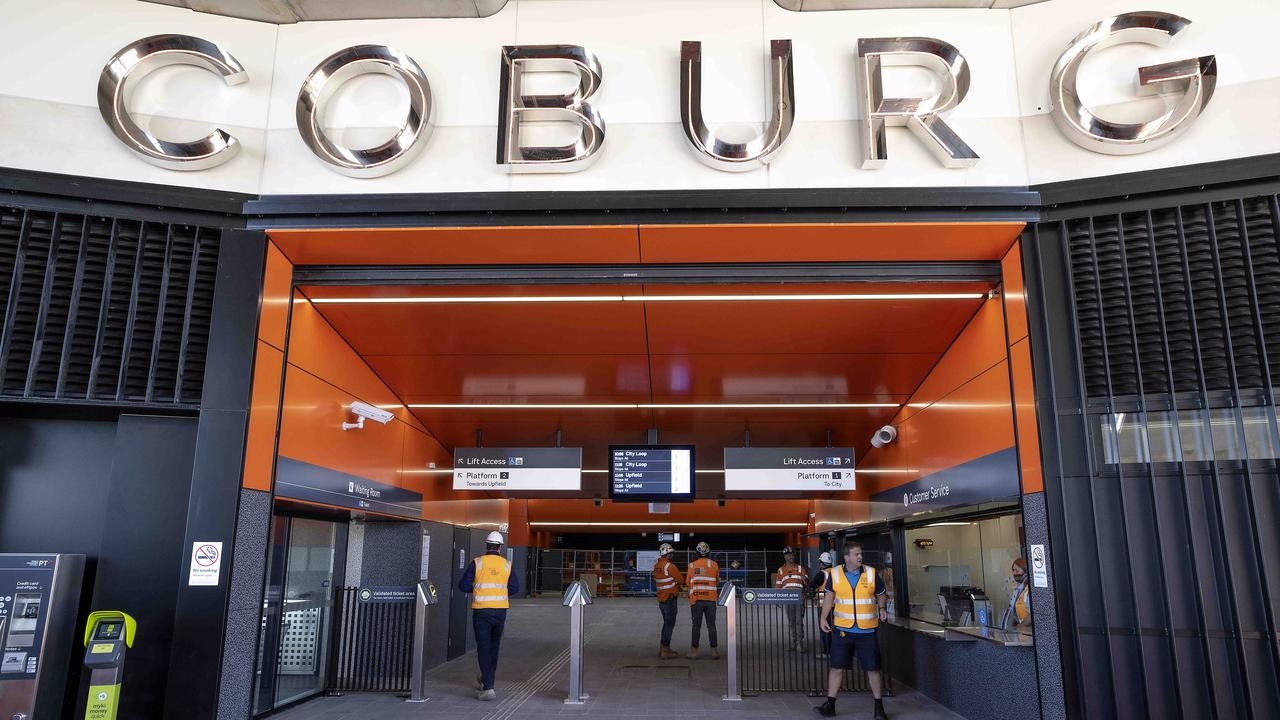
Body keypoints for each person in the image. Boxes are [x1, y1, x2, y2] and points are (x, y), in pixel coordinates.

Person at [817, 541, 888, 720]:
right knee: (836, 667)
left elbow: (881, 594)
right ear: (846, 557)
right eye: (856, 554)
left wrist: (881, 608)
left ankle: (879, 707)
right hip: (843, 630)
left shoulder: (871, 573)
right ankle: (830, 705)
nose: (860, 557)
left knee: (873, 668)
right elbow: (829, 597)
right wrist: (823, 617)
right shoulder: (835, 574)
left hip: (867, 631)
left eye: (860, 554)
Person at [457, 531, 519, 701]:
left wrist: (477, 589)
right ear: (500, 547)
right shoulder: (507, 565)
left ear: (487, 545)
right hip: (500, 611)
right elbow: (514, 588)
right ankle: (487, 680)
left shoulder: (477, 563)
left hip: (481, 611)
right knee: (494, 646)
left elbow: (463, 586)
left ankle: (488, 686)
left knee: (483, 648)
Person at [685, 541, 721, 659]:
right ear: (708, 552)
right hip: (711, 600)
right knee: (711, 626)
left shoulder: (691, 566)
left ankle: (694, 652)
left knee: (696, 626)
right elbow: (717, 581)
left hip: (696, 600)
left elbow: (688, 583)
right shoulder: (714, 565)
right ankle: (714, 651)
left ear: (697, 552)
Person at [653, 542, 684, 659]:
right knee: (669, 625)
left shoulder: (657, 566)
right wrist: (676, 584)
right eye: (671, 554)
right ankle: (665, 651)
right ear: (667, 554)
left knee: (666, 624)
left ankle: (663, 648)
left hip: (662, 599)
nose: (672, 556)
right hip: (670, 600)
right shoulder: (670, 566)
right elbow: (680, 579)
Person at [775, 546, 808, 652]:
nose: (791, 556)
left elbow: (807, 582)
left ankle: (799, 643)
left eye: (792, 554)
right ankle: (794, 642)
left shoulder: (800, 568)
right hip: (788, 600)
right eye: (788, 554)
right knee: (791, 622)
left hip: (799, 599)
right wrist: (778, 599)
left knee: (799, 621)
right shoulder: (781, 570)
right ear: (785, 556)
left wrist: (805, 579)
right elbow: (778, 586)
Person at [810, 551, 835, 658]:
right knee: (833, 628)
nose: (819, 564)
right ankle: (833, 650)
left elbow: (811, 587)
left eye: (820, 562)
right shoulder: (835, 573)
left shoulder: (821, 574)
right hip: (836, 606)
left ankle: (827, 652)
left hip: (823, 606)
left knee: (824, 628)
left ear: (822, 563)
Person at [1002, 558, 1032, 631]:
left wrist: (1019, 627)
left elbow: (1032, 614)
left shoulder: (1029, 589)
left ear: (1025, 571)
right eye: (1013, 570)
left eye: (1017, 570)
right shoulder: (1017, 590)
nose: (1014, 573)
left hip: (1029, 631)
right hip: (1021, 632)